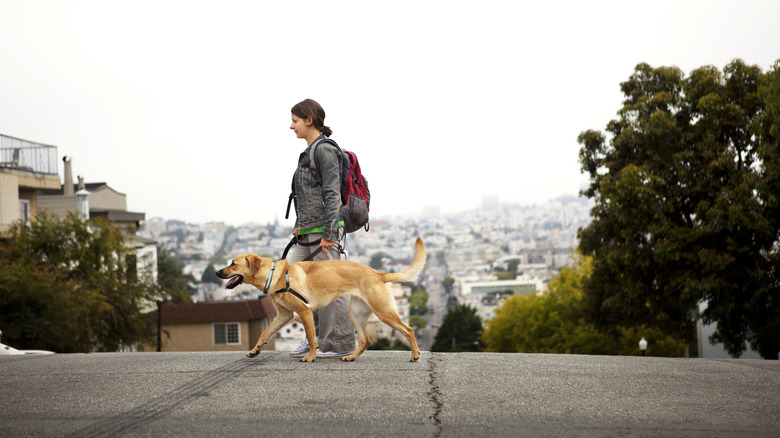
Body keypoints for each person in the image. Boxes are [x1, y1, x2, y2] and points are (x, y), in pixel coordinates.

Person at [287, 98, 355, 358]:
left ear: (309, 120)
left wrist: (329, 234)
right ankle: (312, 338)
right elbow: (306, 194)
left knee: (330, 288)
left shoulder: (324, 150)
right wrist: (298, 225)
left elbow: (332, 193)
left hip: (323, 232)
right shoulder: (308, 152)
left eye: (294, 121)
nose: (291, 126)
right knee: (293, 283)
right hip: (307, 231)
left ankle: (338, 345)